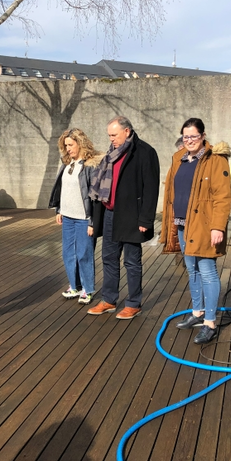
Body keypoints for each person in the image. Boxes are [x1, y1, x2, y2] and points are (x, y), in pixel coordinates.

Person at [160, 117, 231, 344]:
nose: (189, 140)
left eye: (194, 136)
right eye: (185, 136)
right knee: (192, 270)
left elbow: (223, 197)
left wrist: (217, 226)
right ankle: (197, 312)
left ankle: (210, 322)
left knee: (208, 271)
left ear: (203, 136)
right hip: (182, 224)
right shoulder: (178, 159)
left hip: (203, 226)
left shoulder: (216, 161)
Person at [87, 116, 160, 319]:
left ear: (127, 131)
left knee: (131, 261)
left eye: (114, 135)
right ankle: (109, 300)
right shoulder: (111, 154)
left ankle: (133, 303)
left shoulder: (145, 152)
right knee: (109, 258)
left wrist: (146, 220)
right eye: (109, 135)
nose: (111, 139)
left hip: (132, 217)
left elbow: (151, 189)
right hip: (110, 214)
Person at [48, 129, 102, 305]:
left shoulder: (90, 166)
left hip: (84, 219)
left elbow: (95, 197)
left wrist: (93, 221)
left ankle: (88, 288)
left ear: (80, 143)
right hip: (68, 217)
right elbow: (63, 189)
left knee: (84, 254)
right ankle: (75, 286)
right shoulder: (67, 163)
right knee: (68, 253)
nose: (68, 149)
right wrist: (59, 210)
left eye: (71, 145)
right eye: (66, 146)